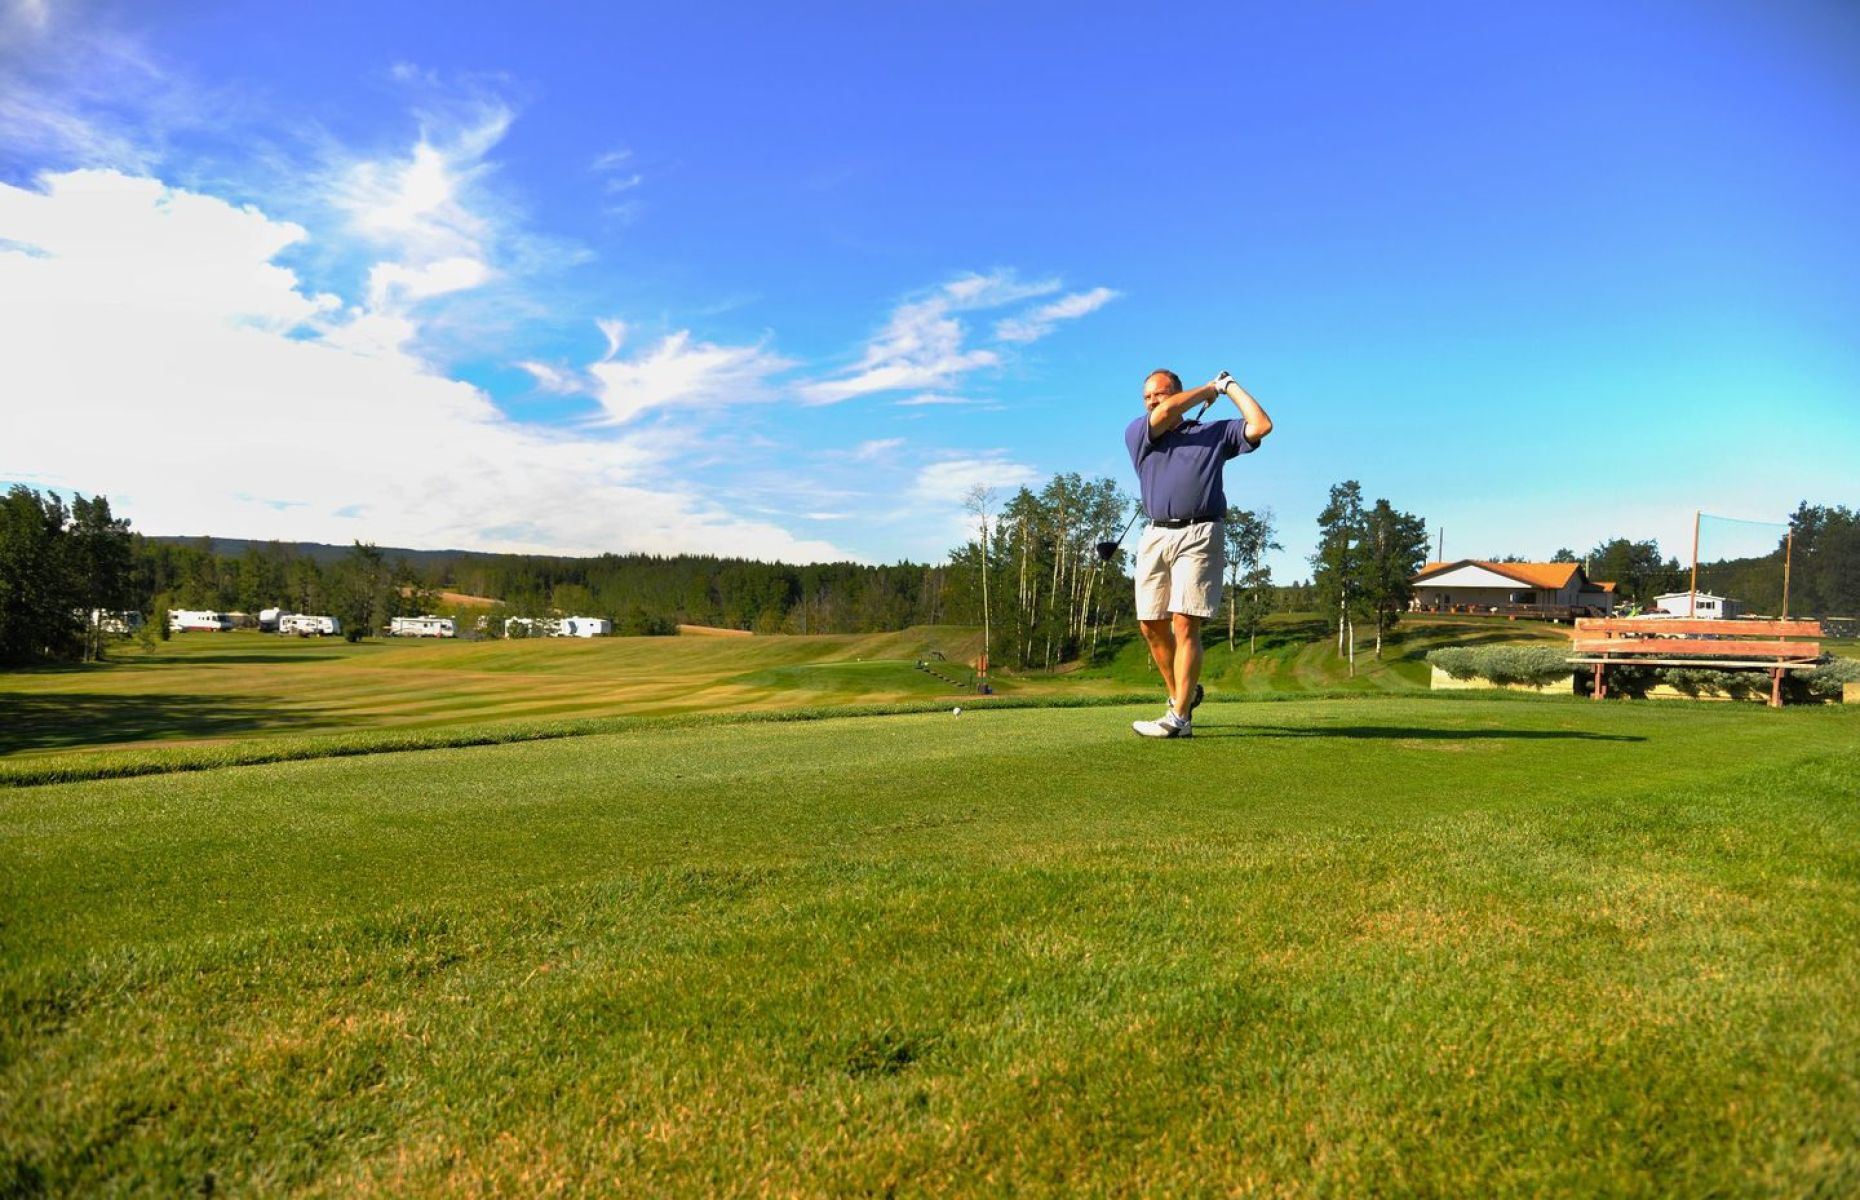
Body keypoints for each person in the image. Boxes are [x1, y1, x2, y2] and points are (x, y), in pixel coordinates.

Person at [1124, 368, 1274, 738]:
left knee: (1184, 622)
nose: (1153, 402)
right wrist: (1207, 388)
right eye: (1147, 397)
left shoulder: (1214, 432)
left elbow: (1261, 425)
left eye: (1159, 394)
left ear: (1175, 391)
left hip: (1201, 532)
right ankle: (1183, 696)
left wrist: (1229, 388)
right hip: (1155, 535)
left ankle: (1179, 719)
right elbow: (1162, 416)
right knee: (1150, 624)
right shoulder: (1141, 432)